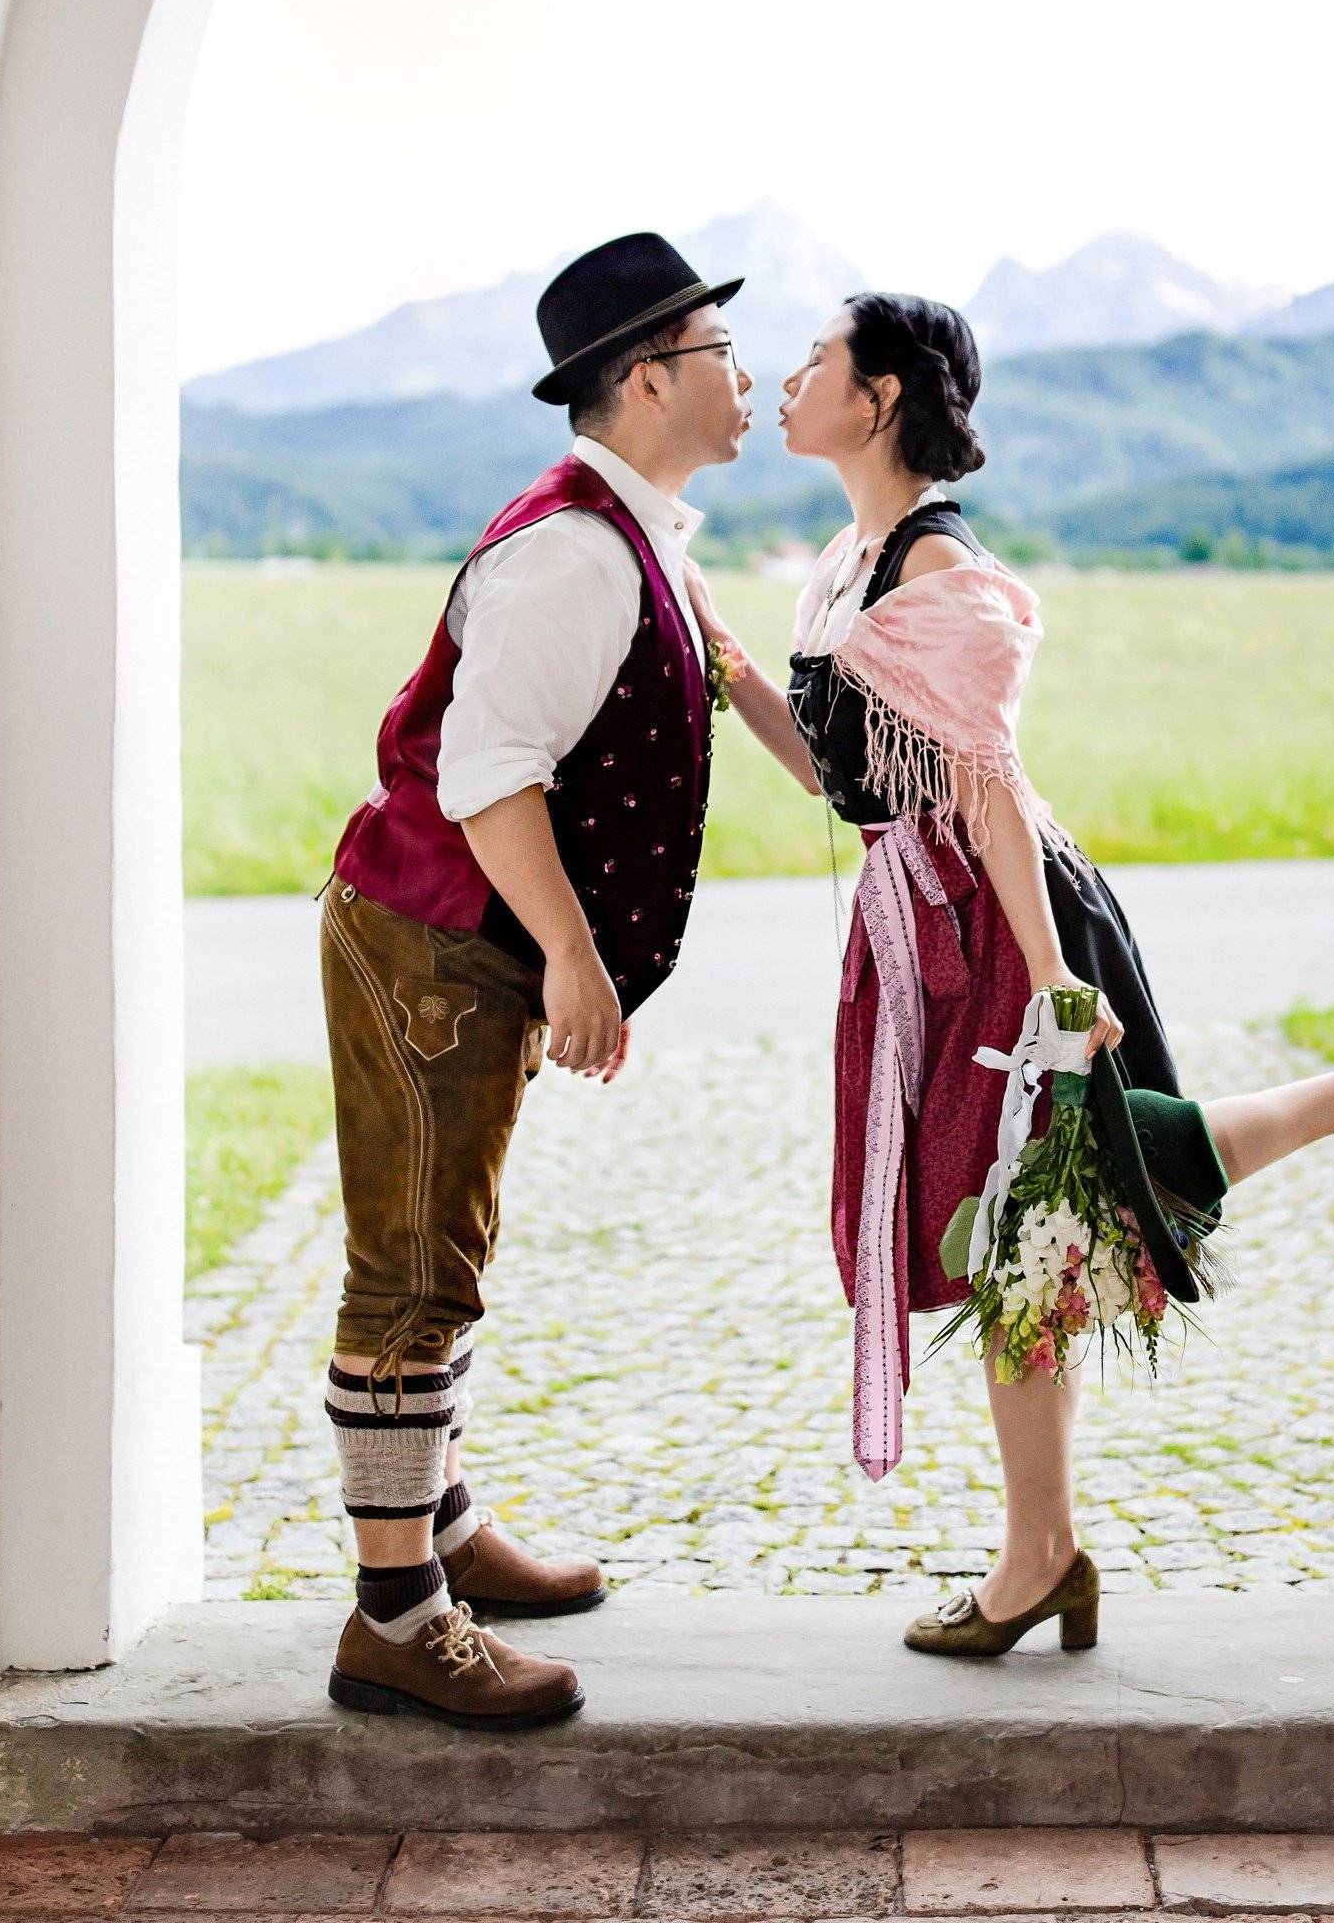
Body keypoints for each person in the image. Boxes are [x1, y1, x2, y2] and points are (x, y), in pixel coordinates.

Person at [773, 291, 1334, 1655]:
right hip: (931, 919)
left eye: (817, 357)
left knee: (1024, 1223)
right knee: (1075, 1189)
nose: (789, 374)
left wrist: (1054, 986)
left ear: (876, 399)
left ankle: (1038, 1559)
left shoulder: (941, 578)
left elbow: (987, 792)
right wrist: (722, 669)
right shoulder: (854, 558)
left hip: (1003, 921)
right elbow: (857, 785)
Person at [313, 232, 824, 1729]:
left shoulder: (641, 530)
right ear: (652, 376)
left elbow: (717, 669)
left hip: (469, 943)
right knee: (411, 1273)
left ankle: (445, 1531)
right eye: (726, 354)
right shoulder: (572, 550)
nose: (746, 376)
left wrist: (841, 769)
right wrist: (578, 965)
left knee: (444, 1240)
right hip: (437, 937)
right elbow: (487, 777)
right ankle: (396, 1619)